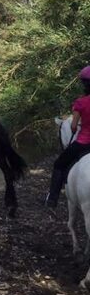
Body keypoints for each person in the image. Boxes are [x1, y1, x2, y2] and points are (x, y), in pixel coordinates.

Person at [45, 66, 90, 208]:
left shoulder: (80, 103)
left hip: (84, 142)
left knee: (59, 165)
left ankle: (52, 199)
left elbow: (73, 126)